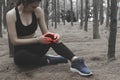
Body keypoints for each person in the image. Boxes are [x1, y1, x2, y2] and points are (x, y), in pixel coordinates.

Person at [6, 0, 93, 76]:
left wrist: (54, 36)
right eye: (33, 6)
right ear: (24, 2)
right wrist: (37, 39)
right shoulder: (11, 15)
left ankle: (75, 61)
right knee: (20, 59)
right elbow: (14, 41)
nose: (35, 8)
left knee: (51, 38)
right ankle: (50, 60)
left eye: (37, 6)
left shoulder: (37, 11)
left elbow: (46, 33)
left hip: (36, 47)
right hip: (21, 50)